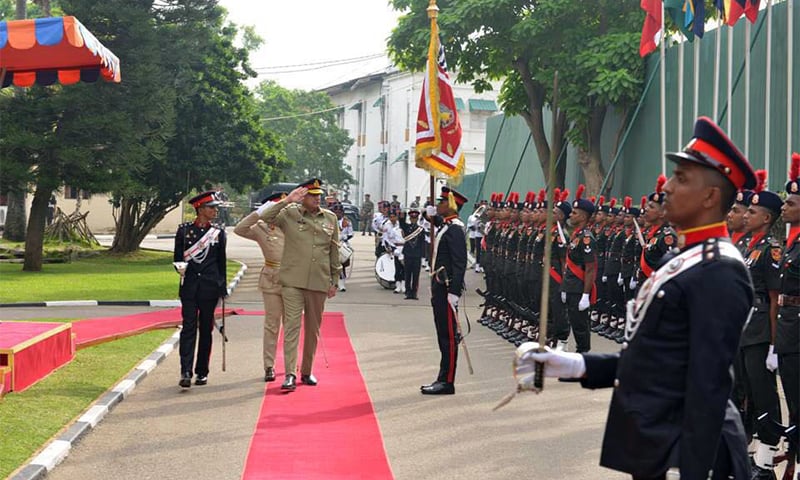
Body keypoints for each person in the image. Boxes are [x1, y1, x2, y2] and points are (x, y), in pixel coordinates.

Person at [516, 117, 756, 480]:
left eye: (682, 178)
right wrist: (572, 364)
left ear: (710, 196)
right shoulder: (685, 259)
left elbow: (708, 384)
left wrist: (695, 470)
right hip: (655, 443)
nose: (668, 189)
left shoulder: (719, 269)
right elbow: (654, 360)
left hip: (688, 451)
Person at [261, 179, 341, 391]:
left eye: (319, 195)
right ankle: (289, 373)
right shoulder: (289, 214)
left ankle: (307, 371)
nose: (317, 198)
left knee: (313, 329)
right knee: (292, 327)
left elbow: (334, 251)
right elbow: (265, 216)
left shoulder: (330, 218)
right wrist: (287, 200)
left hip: (318, 281)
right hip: (292, 281)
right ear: (303, 196)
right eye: (312, 195)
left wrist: (335, 280)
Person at [740, 172, 784, 479]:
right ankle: (754, 452)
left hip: (758, 333)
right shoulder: (746, 245)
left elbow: (773, 298)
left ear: (766, 218)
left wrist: (772, 344)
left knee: (764, 394)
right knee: (747, 392)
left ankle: (768, 458)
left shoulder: (771, 249)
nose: (746, 215)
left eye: (752, 211)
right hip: (742, 330)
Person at [173, 191, 228, 388]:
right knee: (188, 327)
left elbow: (221, 263)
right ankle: (185, 370)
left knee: (206, 329)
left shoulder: (218, 233)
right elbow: (178, 258)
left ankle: (202, 371)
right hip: (189, 287)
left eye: (215, 208)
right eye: (211, 208)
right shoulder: (184, 231)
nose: (215, 211)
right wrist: (180, 268)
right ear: (200, 209)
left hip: (210, 288)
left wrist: (222, 287)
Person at [233, 192, 286, 383]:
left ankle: (290, 367)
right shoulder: (261, 227)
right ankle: (269, 366)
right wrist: (260, 212)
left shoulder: (294, 224)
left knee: (292, 326)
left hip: (293, 280)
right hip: (272, 279)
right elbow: (239, 229)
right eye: (278, 206)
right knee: (272, 325)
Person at [420, 186, 468, 395]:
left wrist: (454, 292)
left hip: (447, 288)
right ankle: (442, 377)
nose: (438, 204)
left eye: (441, 202)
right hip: (439, 286)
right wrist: (427, 214)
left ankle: (447, 381)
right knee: (442, 333)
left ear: (451, 205)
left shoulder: (456, 228)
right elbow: (434, 219)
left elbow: (460, 263)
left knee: (448, 336)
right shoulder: (447, 224)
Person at [777, 153, 800, 478]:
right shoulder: (790, 243)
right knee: (794, 401)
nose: (784, 207)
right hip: (787, 328)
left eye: (791, 203)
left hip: (797, 328)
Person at [559, 185, 597, 353]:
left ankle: (584, 354)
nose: (571, 215)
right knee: (574, 321)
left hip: (580, 287)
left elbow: (590, 268)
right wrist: (565, 287)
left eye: (574, 213)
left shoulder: (587, 238)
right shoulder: (576, 235)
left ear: (583, 216)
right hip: (571, 286)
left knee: (580, 325)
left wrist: (586, 295)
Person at [399, 207, 426, 300]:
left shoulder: (421, 229)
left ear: (417, 218)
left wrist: (423, 255)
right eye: (412, 218)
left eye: (415, 218)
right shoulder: (406, 227)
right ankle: (408, 292)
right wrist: (402, 213)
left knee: (416, 275)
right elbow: (401, 222)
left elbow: (423, 242)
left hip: (417, 255)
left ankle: (414, 293)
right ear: (410, 218)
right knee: (407, 274)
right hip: (408, 254)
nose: (413, 219)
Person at [332, 202, 354, 291]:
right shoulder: (330, 219)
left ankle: (342, 283)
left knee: (342, 264)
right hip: (332, 243)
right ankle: (332, 282)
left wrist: (344, 238)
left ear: (342, 212)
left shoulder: (347, 222)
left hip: (342, 244)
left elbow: (351, 234)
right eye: (336, 212)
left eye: (339, 212)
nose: (337, 214)